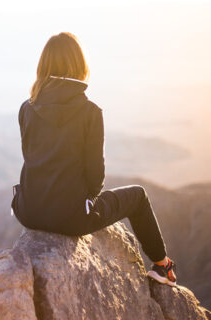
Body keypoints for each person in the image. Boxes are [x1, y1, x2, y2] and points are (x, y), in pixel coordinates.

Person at [11, 31, 177, 287]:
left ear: (43, 66)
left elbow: (31, 157)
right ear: (80, 65)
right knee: (138, 196)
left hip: (27, 210)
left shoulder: (26, 107)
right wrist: (84, 202)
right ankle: (162, 265)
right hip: (71, 218)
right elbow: (95, 178)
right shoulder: (90, 112)